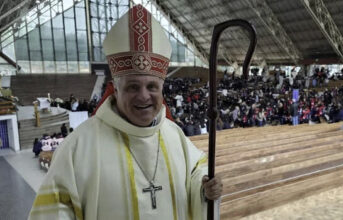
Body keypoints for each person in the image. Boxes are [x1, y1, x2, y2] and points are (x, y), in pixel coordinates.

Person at [28, 5, 222, 220]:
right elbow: (55, 211)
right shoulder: (77, 147)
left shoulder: (174, 134)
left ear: (162, 90)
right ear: (115, 89)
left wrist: (205, 189)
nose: (144, 96)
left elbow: (197, 171)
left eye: (152, 87)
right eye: (132, 87)